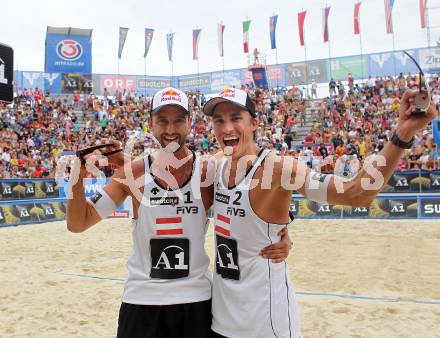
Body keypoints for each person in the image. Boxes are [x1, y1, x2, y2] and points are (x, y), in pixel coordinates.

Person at [202, 87, 437, 338]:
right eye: (219, 120)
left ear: (253, 124)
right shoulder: (217, 165)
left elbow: (356, 193)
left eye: (236, 118)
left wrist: (402, 135)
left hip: (264, 322)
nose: (227, 128)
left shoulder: (280, 168)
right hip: (221, 319)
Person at [65, 87, 291, 338]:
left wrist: (284, 231)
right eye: (162, 120)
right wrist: (77, 175)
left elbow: (256, 195)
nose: (170, 129)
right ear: (150, 123)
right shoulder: (134, 173)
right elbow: (79, 223)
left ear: (190, 123)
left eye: (178, 120)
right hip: (142, 301)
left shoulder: (208, 172)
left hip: (196, 301)